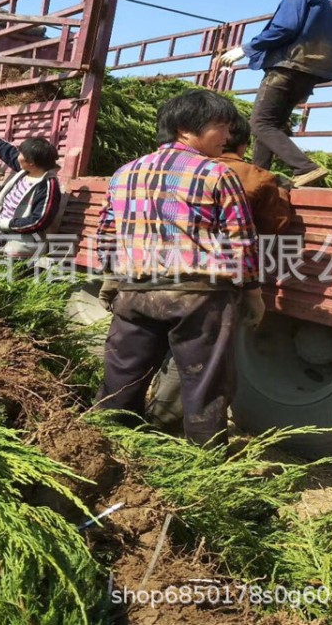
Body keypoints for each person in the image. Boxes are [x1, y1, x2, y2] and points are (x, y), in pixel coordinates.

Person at [94, 90, 263, 448]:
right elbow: (240, 239)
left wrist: (112, 277)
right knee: (205, 384)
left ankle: (104, 447)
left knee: (122, 377)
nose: (227, 137)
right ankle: (205, 465)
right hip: (198, 298)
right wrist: (253, 292)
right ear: (187, 129)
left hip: (136, 292)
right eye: (220, 127)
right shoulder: (216, 174)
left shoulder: (124, 173)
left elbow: (107, 231)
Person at [146, 109, 292, 430]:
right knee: (198, 359)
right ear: (239, 142)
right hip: (211, 280)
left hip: (155, 271)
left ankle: (130, 417)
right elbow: (267, 228)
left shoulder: (160, 167)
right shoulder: (246, 175)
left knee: (155, 347)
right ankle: (163, 424)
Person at [220, 0, 332, 188]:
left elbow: (285, 28)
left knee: (260, 124)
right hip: (310, 73)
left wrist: (245, 49)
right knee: (271, 125)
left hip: (287, 67)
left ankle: (306, 168)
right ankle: (259, 176)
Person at [0, 112, 61, 258]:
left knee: (8, 258)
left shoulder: (47, 186)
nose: (18, 156)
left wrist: (2, 224)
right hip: (4, 232)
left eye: (21, 154)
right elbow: (7, 151)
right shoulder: (26, 171)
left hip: (25, 239)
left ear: (31, 162)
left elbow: (38, 221)